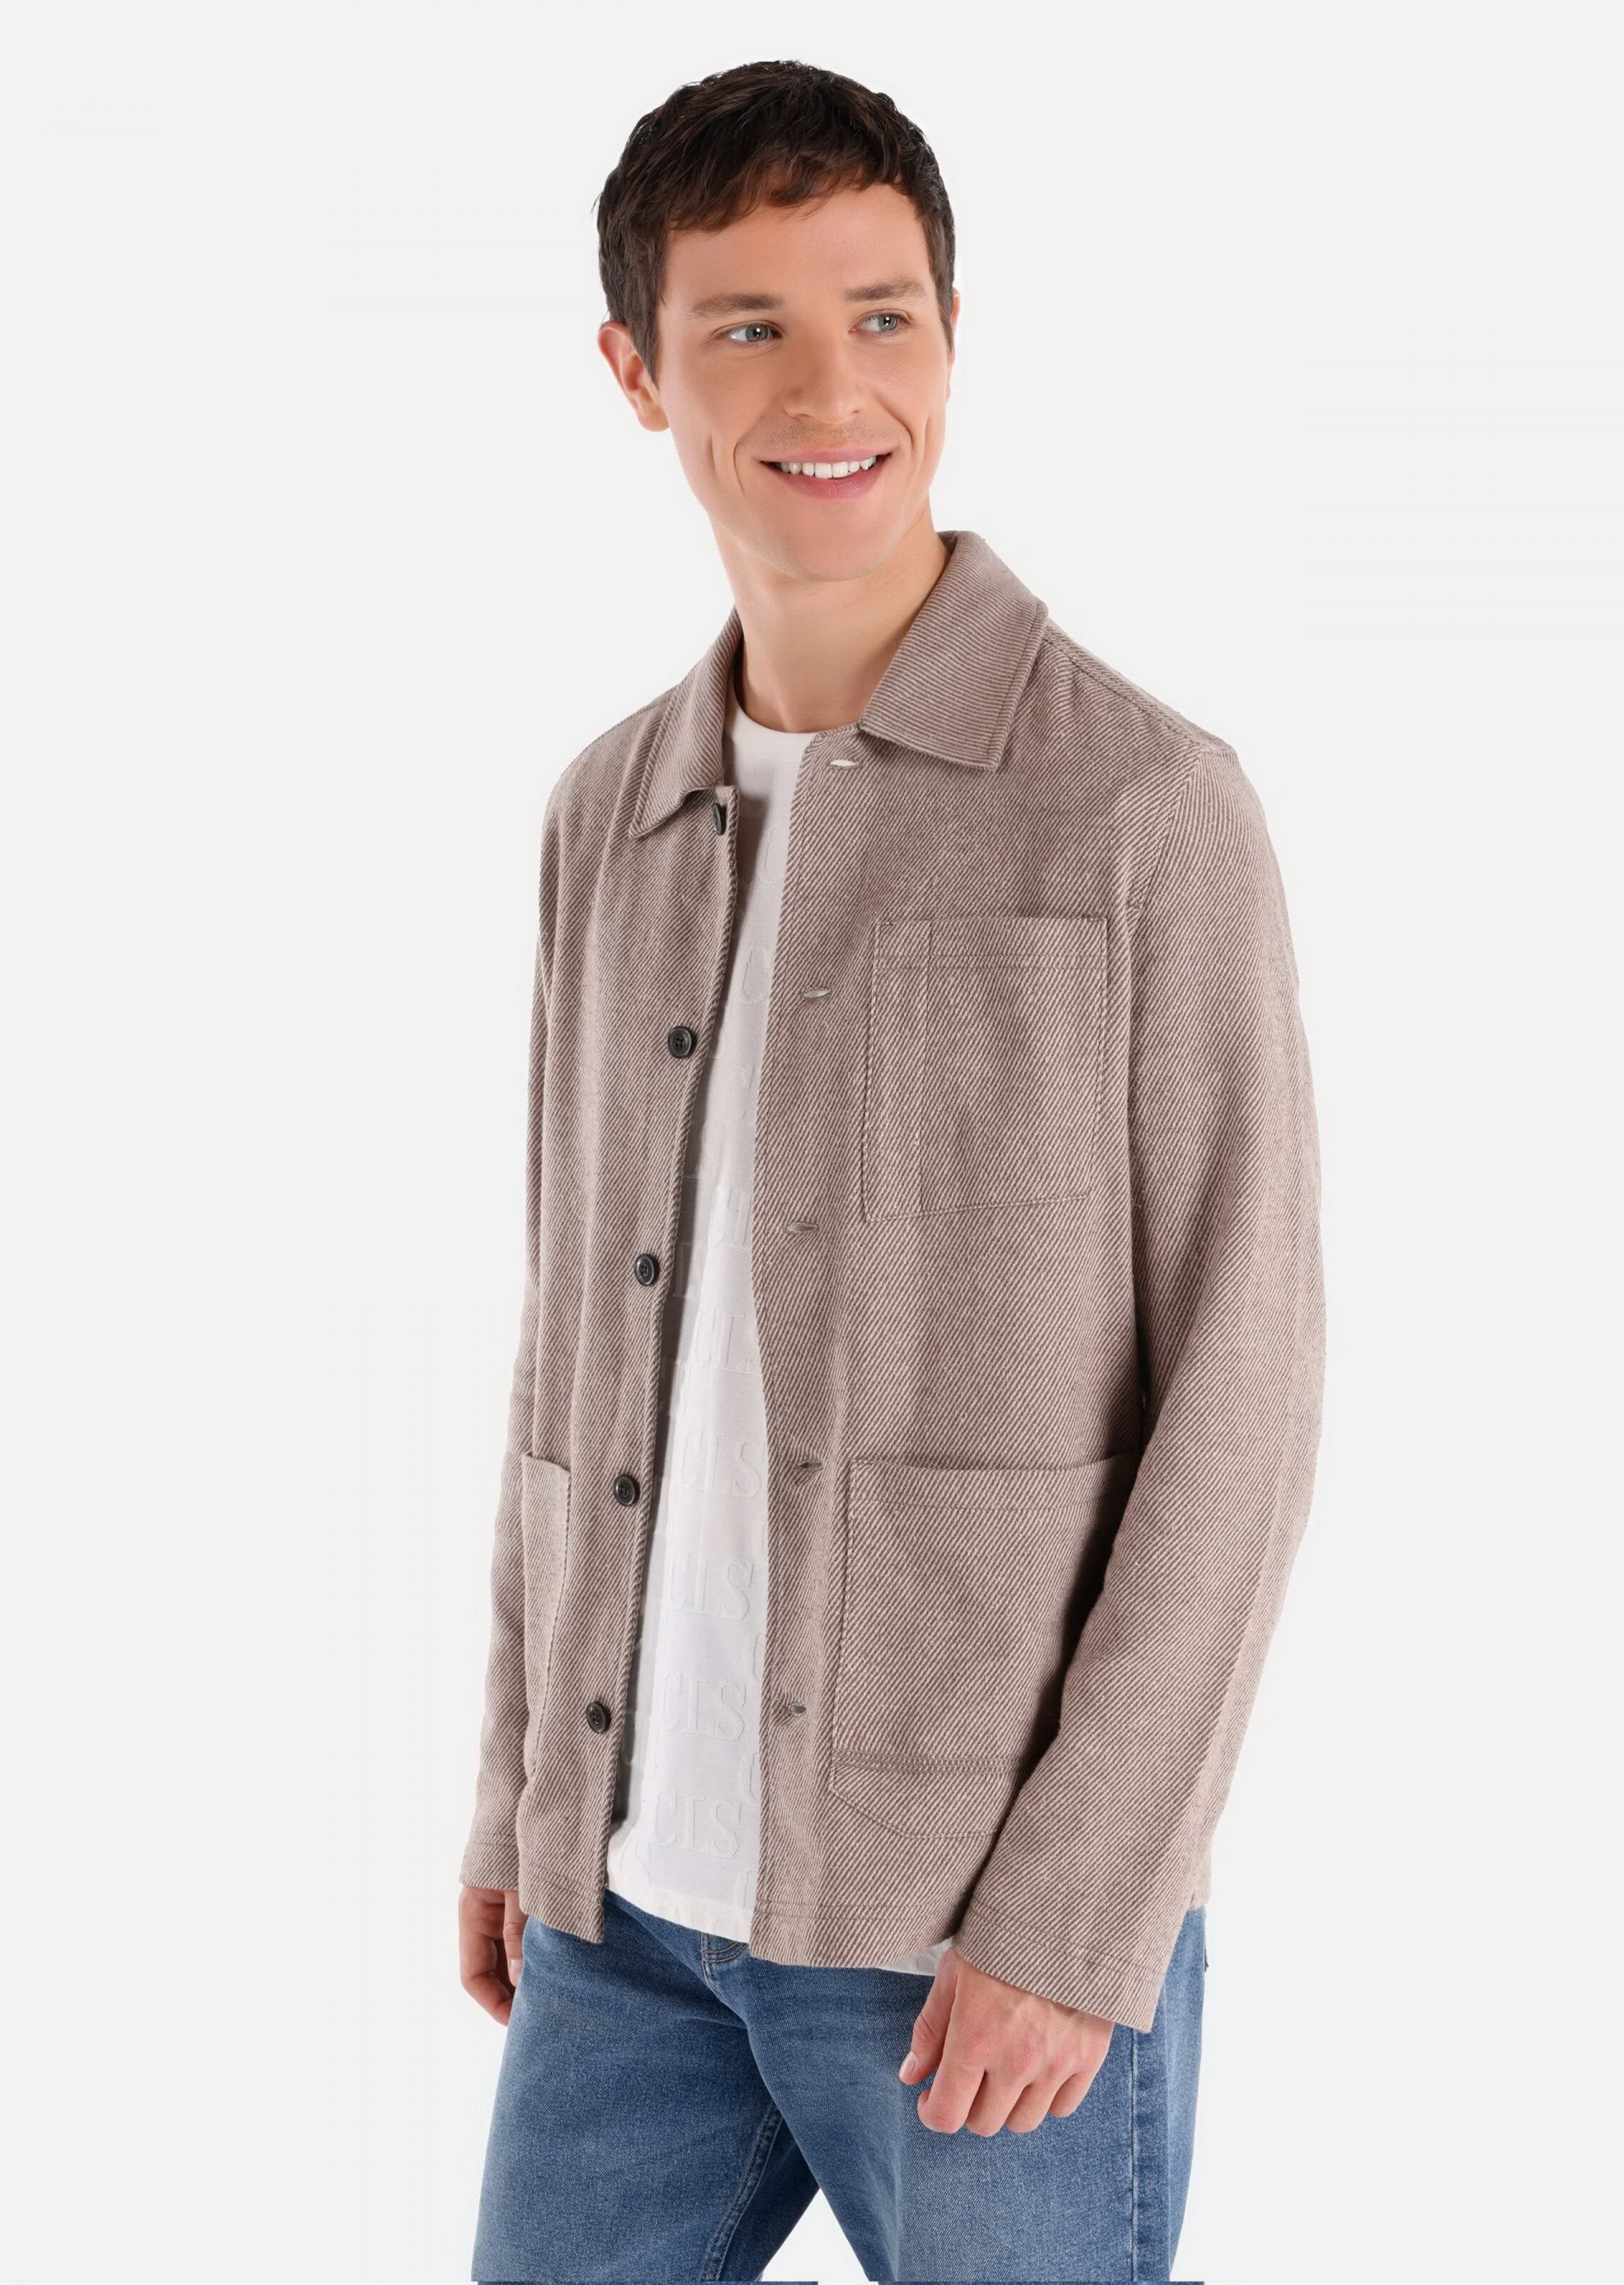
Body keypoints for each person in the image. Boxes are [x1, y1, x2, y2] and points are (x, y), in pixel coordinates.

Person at [456, 57, 1324, 2285]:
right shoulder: (605, 811)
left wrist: (1077, 1914)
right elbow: (571, 1349)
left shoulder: (1141, 809)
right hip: (621, 1922)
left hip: (967, 1947)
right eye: (747, 324)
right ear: (635, 369)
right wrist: (522, 1787)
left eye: (882, 315)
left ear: (952, 336)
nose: (829, 387)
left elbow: (1241, 1399)